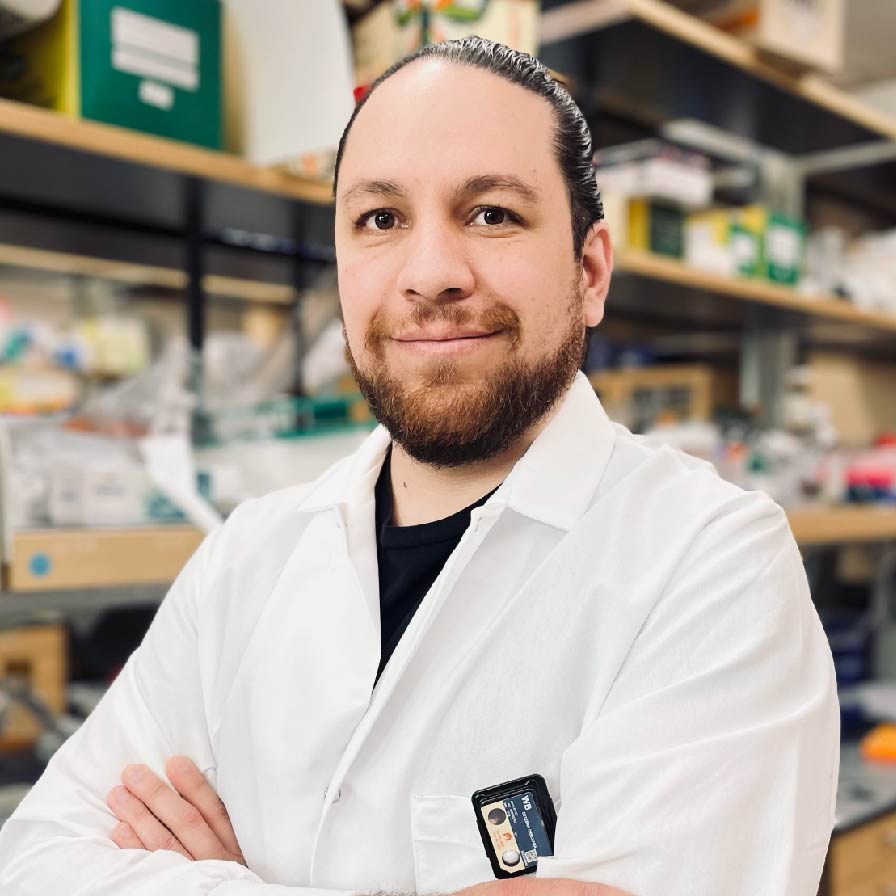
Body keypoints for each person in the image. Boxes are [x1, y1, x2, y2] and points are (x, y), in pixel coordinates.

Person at [0, 36, 838, 896]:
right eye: (381, 220)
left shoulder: (713, 562)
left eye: (492, 214)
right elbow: (37, 861)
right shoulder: (246, 560)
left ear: (589, 273)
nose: (430, 274)